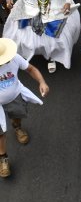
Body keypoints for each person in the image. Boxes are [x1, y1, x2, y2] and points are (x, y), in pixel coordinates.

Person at [4, 0, 80, 73]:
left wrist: (68, 1)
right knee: (24, 39)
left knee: (54, 40)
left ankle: (52, 58)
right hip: (27, 12)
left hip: (49, 12)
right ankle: (22, 59)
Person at [0, 38, 49, 178]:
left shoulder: (14, 58)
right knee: (0, 132)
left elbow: (31, 69)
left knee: (16, 117)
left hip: (15, 96)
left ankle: (17, 127)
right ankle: (3, 158)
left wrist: (42, 82)